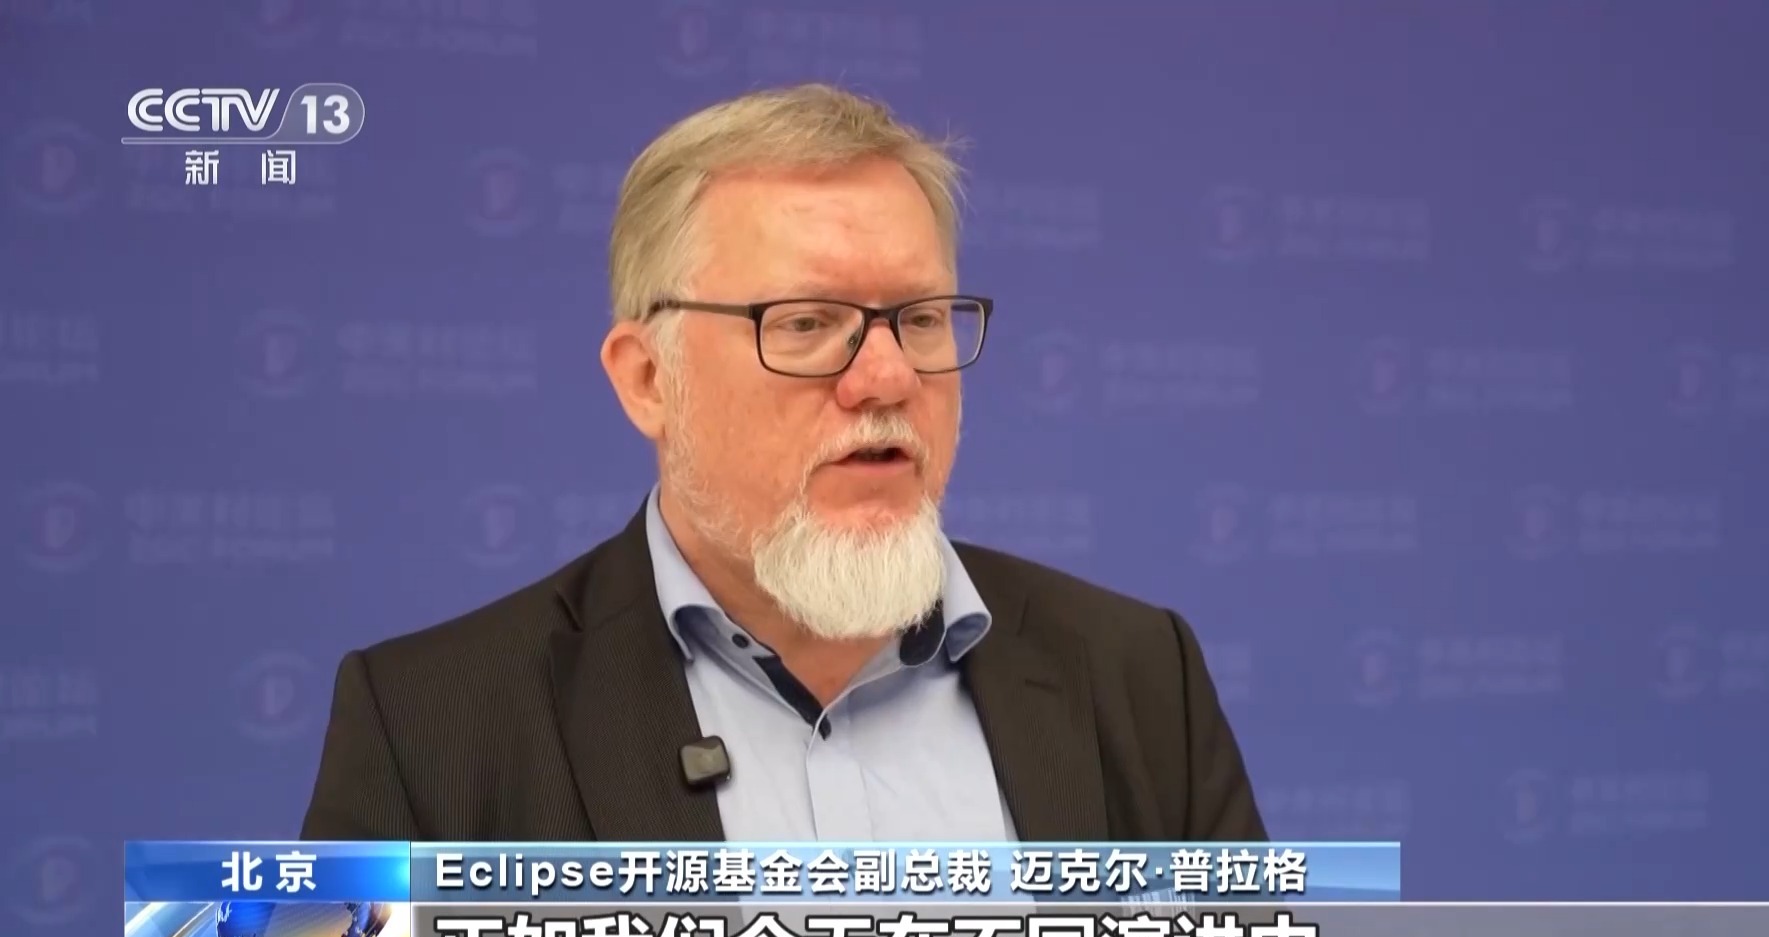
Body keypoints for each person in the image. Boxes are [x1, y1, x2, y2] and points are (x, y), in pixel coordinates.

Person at [300, 84, 1263, 844]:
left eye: (922, 318)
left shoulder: (1140, 679)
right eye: (806, 324)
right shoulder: (429, 727)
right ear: (647, 380)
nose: (887, 377)